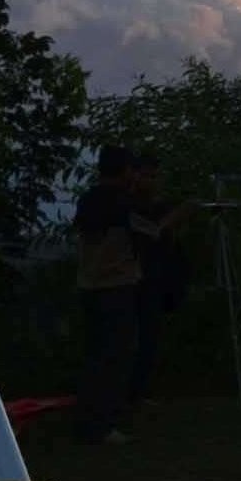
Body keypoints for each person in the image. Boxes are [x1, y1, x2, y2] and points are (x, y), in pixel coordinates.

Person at [68, 145, 186, 442]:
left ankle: (89, 419)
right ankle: (102, 425)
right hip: (115, 287)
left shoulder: (89, 200)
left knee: (95, 356)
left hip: (89, 285)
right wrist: (177, 216)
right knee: (114, 357)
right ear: (124, 171)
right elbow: (152, 232)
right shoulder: (121, 205)